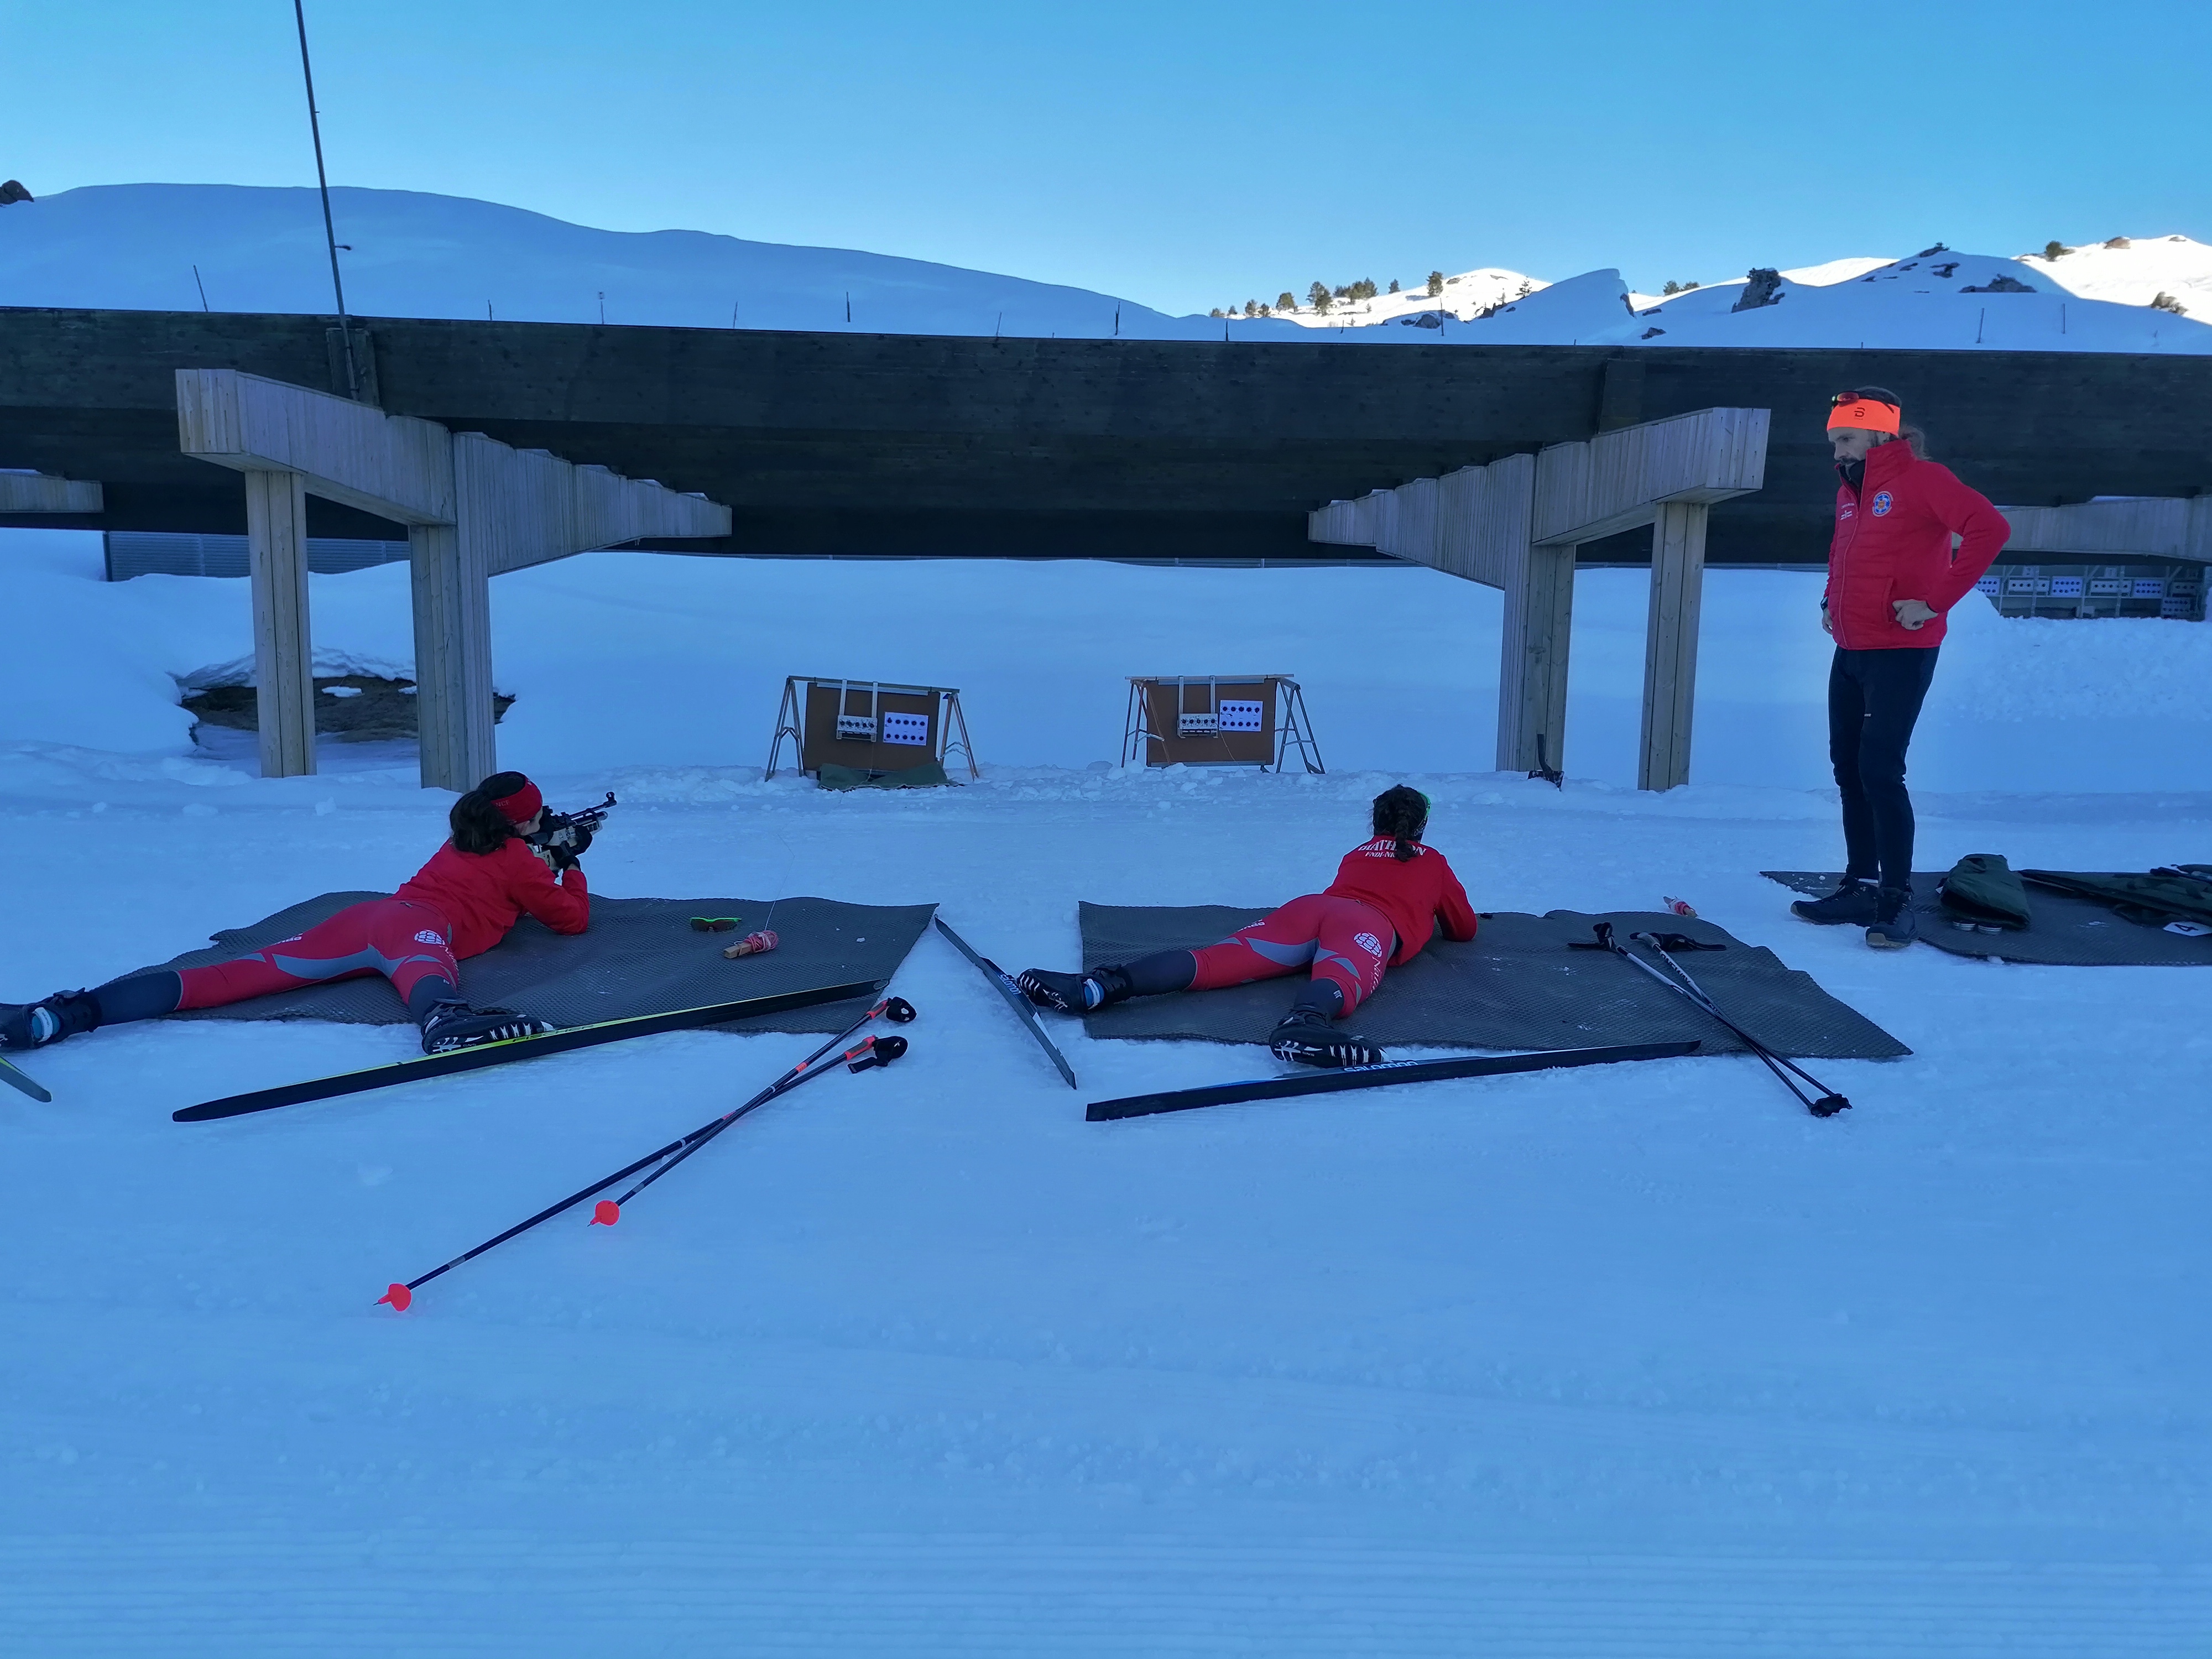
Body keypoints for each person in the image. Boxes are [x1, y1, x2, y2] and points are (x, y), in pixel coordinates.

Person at [2, 772, 589, 1057]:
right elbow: (569, 921)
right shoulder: (522, 860)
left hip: (368, 919)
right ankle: (444, 1024)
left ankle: (64, 1013)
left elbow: (495, 868)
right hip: (414, 930)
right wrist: (569, 866)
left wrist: (544, 848)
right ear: (520, 824)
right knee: (431, 989)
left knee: (225, 978)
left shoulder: (464, 836)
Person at [1017, 785, 1477, 1067]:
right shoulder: (1433, 861)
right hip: (1367, 924)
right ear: (1421, 827)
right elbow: (1464, 928)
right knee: (1341, 975)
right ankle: (1304, 1023)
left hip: (1311, 909)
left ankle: (1101, 986)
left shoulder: (1355, 854)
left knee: (1214, 961)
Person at [1791, 388, 2008, 950]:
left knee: (1880, 771)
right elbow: (1847, 555)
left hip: (1900, 651)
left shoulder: (1923, 480)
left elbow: (1989, 530)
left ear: (1878, 435)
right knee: (1848, 768)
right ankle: (1859, 885)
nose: (1835, 451)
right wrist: (1827, 602)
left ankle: (1894, 899)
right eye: (1834, 439)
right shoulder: (1849, 493)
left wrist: (1934, 603)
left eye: (1844, 438)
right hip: (1851, 649)